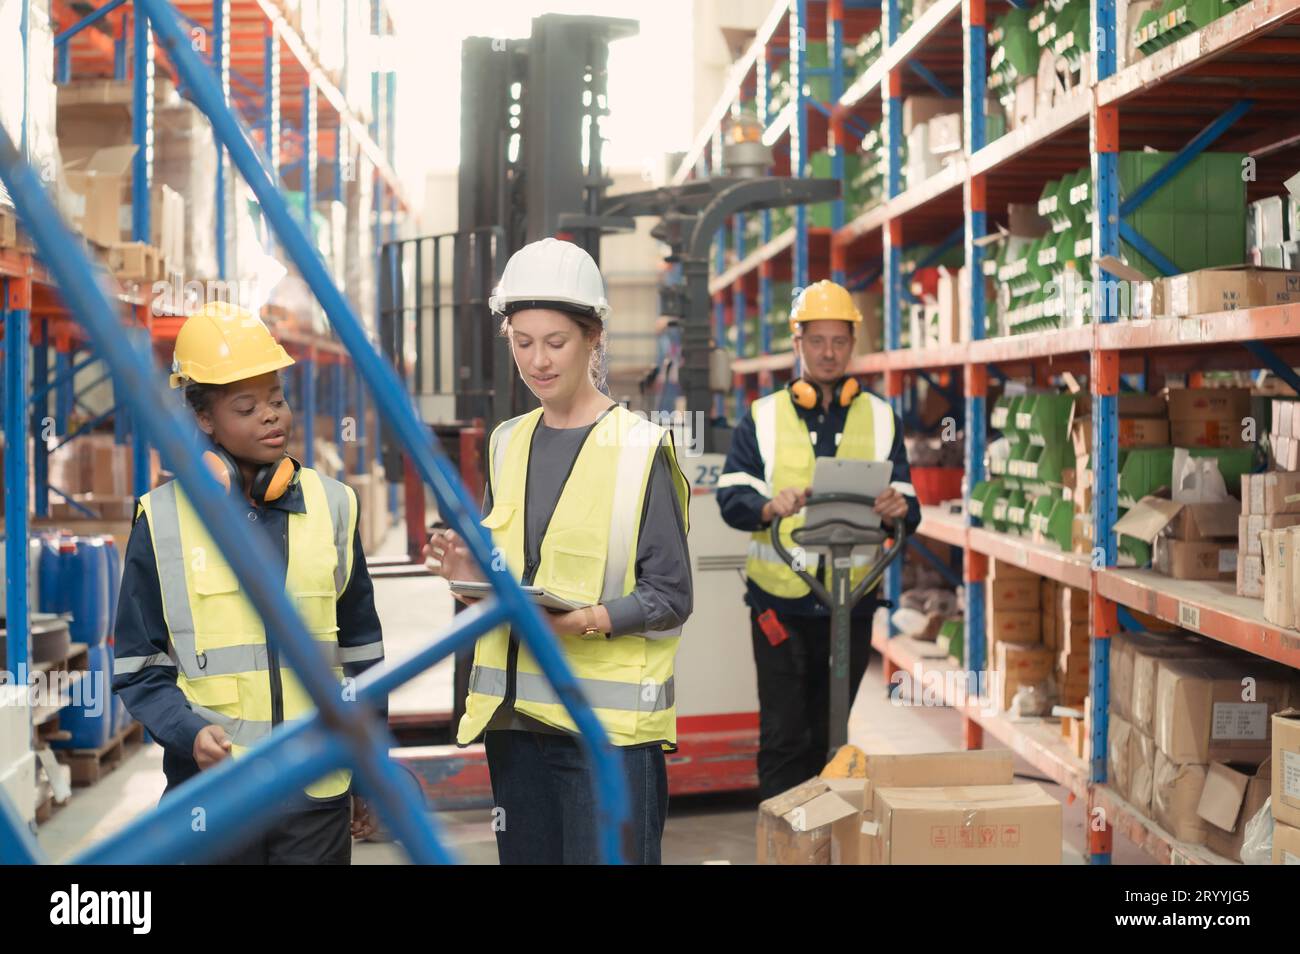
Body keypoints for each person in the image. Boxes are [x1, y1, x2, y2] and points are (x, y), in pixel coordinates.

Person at [426, 238, 692, 865]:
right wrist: (469, 573)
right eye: (522, 342)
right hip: (515, 727)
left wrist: (589, 620)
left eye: (556, 342)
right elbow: (513, 569)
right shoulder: (507, 442)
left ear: (593, 337)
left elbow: (672, 595)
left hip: (608, 737)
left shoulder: (640, 448)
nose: (537, 361)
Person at [112, 301, 387, 864]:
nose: (271, 416)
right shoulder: (162, 519)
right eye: (247, 406)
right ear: (206, 420)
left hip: (316, 789)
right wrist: (188, 733)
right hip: (216, 796)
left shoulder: (334, 506)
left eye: (277, 399)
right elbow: (138, 668)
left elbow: (363, 651)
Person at [716, 280, 921, 800]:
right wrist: (768, 505)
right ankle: (787, 839)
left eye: (839, 341)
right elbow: (731, 496)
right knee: (786, 734)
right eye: (817, 341)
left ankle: (826, 835)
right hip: (780, 604)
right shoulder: (762, 416)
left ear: (853, 345)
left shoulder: (879, 416)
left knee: (832, 731)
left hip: (850, 601)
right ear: (798, 344)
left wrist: (899, 511)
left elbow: (908, 501)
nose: (828, 353)